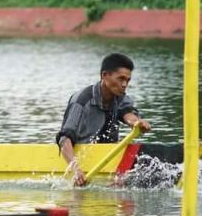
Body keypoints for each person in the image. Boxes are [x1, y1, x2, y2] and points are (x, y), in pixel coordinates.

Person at [56, 52, 151, 186]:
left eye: (127, 80)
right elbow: (64, 139)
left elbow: (127, 113)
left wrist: (137, 123)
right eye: (121, 79)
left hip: (107, 158)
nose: (124, 85)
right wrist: (75, 169)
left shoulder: (120, 97)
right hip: (80, 161)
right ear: (104, 75)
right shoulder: (81, 101)